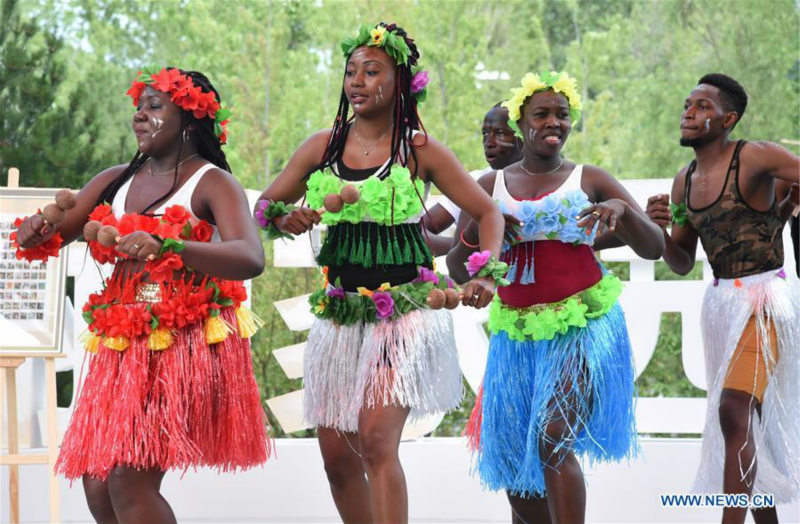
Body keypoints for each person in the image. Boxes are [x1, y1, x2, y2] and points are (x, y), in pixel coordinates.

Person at [254, 22, 504, 524]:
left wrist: (487, 274)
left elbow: (490, 212)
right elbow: (264, 206)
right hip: (341, 316)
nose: (358, 81)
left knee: (374, 441)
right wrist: (284, 217)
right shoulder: (321, 146)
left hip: (405, 315)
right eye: (352, 72)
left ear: (401, 82)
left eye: (373, 71)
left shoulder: (420, 150)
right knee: (337, 457)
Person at [13, 67, 270, 524]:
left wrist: (172, 246)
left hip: (181, 343)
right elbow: (58, 232)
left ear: (190, 120)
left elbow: (250, 256)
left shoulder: (212, 183)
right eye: (139, 106)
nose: (140, 115)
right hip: (123, 342)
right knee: (96, 480)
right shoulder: (117, 179)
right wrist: (36, 231)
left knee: (128, 480)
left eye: (155, 106)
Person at [448, 71, 664, 524]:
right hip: (517, 332)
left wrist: (622, 212)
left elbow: (655, 247)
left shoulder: (590, 178)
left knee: (552, 436)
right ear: (520, 122)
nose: (554, 122)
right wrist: (480, 233)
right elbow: (455, 264)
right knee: (514, 467)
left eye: (562, 115)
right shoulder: (492, 186)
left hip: (582, 324)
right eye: (541, 114)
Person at [645, 73, 800, 524]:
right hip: (720, 305)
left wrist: (790, 208)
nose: (689, 112)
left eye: (703, 106)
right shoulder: (683, 180)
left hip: (765, 297)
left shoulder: (754, 156)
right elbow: (679, 260)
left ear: (728, 119)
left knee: (734, 410)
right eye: (688, 104)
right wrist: (658, 229)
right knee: (745, 420)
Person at [422, 103, 522, 255]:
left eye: (500, 133)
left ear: (525, 135)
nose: (489, 142)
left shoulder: (559, 182)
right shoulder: (472, 183)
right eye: (485, 134)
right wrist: (472, 246)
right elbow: (418, 234)